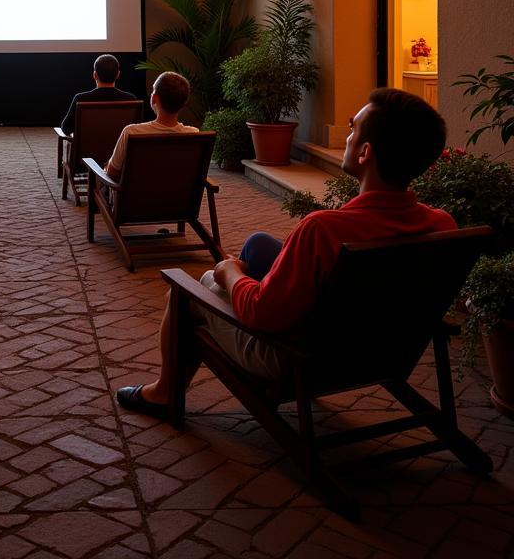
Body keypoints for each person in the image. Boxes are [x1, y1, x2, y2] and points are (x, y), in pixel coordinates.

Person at [115, 87, 456, 417]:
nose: (347, 137)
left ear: (365, 152)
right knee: (261, 244)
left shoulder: (324, 230)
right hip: (378, 350)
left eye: (352, 129)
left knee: (193, 287)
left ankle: (163, 393)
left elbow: (261, 314)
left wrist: (229, 273)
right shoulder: (442, 225)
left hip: (298, 358)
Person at [105, 71, 198, 181]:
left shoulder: (131, 132)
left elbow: (112, 172)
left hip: (138, 198)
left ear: (154, 98)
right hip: (177, 197)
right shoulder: (193, 134)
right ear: (184, 102)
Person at [60, 54, 137, 136]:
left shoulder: (81, 98)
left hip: (88, 147)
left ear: (95, 75)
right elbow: (135, 128)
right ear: (118, 75)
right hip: (121, 148)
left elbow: (66, 128)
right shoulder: (130, 99)